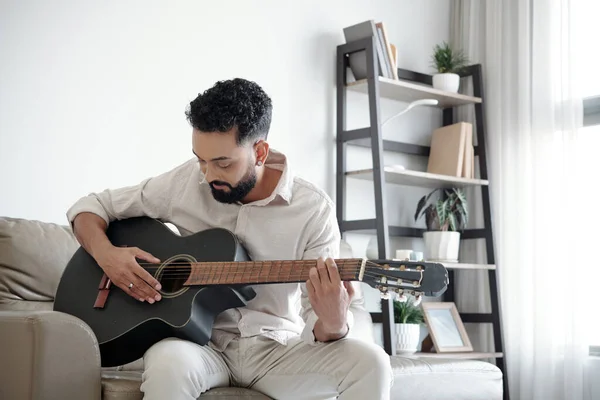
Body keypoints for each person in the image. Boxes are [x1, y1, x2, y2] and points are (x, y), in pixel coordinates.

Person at [66, 78, 393, 399]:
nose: (207, 175)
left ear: (260, 151)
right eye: (200, 159)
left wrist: (335, 324)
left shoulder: (313, 210)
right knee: (167, 363)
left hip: (276, 350)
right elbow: (91, 206)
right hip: (199, 344)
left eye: (222, 162)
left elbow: (317, 323)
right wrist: (108, 256)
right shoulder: (188, 180)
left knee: (373, 363)